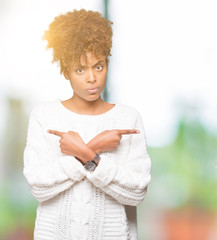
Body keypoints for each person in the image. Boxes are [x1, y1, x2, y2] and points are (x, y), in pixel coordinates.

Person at [23, 9, 151, 240]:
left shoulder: (128, 118)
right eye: (80, 69)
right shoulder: (44, 115)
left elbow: (136, 193)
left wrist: (86, 153)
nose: (92, 78)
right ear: (65, 72)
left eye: (98, 66)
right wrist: (93, 148)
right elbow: (39, 188)